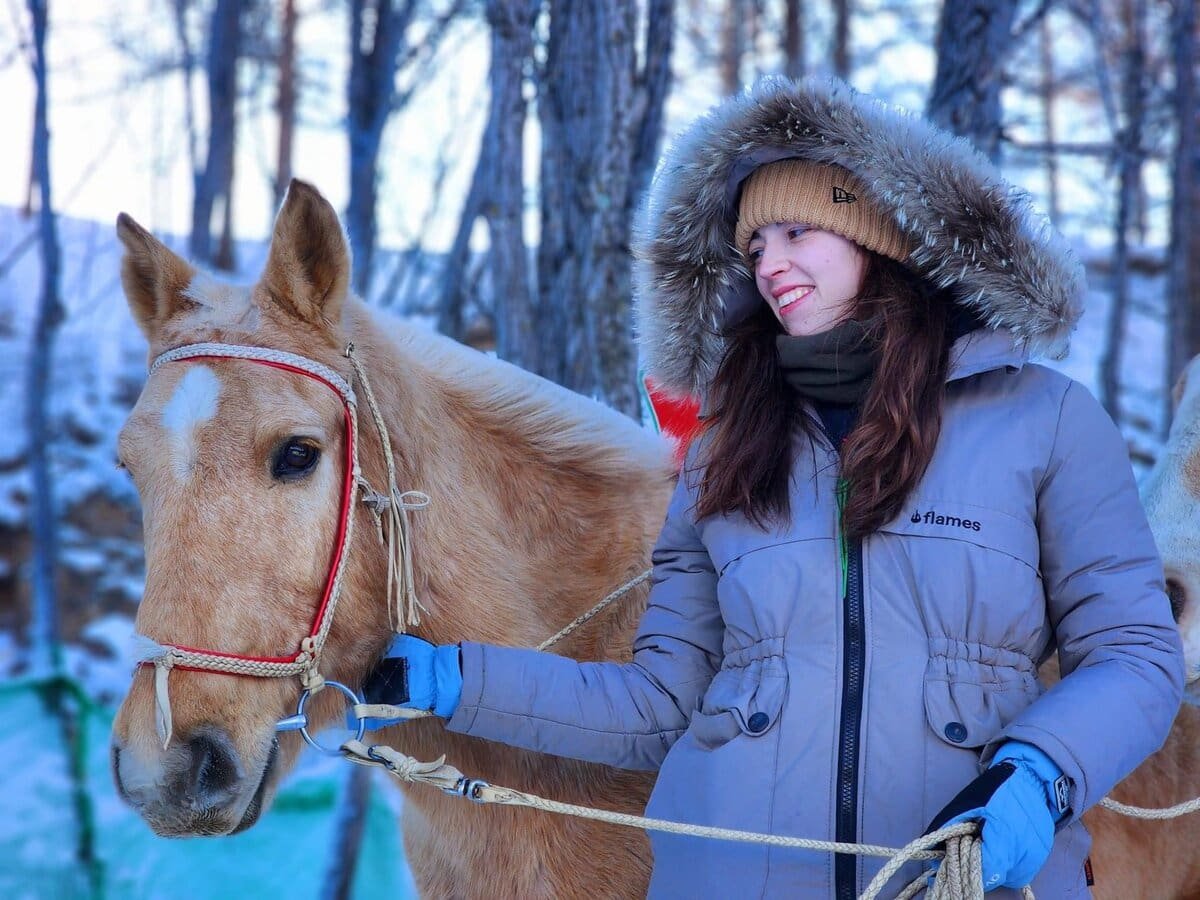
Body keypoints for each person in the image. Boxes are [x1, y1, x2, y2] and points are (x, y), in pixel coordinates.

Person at [363, 77, 1184, 898]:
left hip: (965, 880)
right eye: (755, 248)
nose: (771, 265)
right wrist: (454, 680)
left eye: (797, 231)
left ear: (879, 236)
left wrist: (1038, 776)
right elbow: (660, 700)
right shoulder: (730, 444)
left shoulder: (1043, 418)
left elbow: (1135, 655)